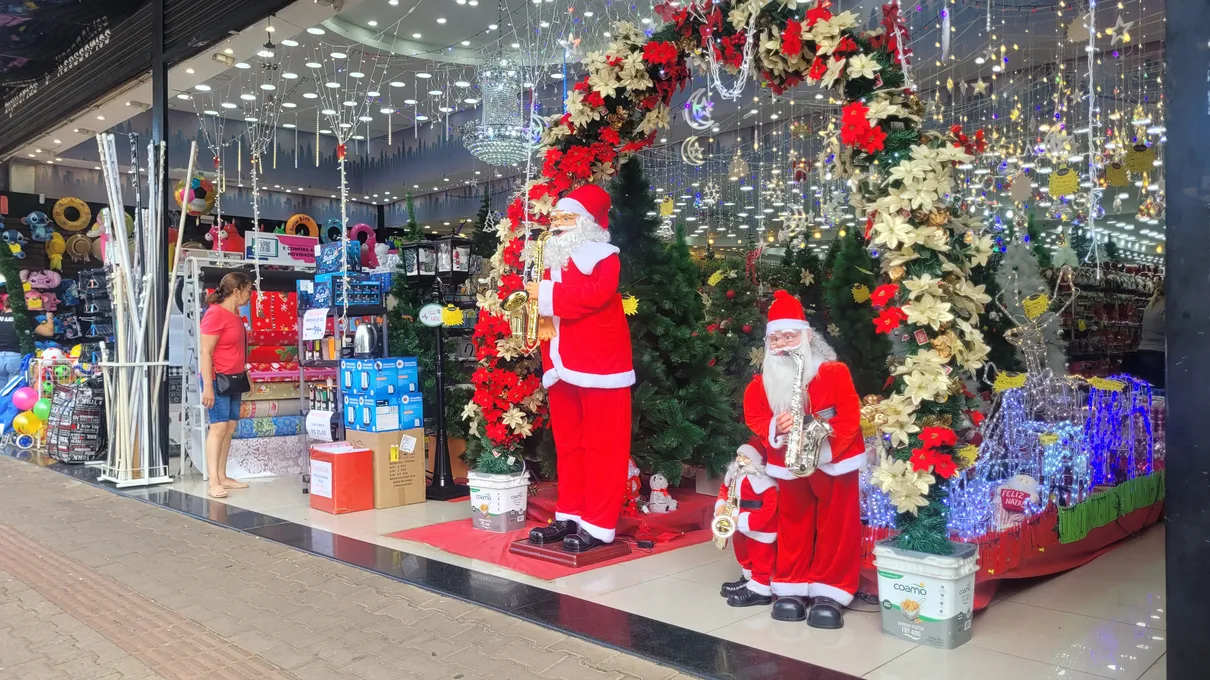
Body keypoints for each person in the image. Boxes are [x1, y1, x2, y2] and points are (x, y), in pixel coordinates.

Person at [522, 183, 635, 553]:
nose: (557, 224)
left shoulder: (604, 255)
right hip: (560, 363)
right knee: (569, 445)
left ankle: (599, 525)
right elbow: (550, 313)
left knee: (604, 446)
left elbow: (596, 297)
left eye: (566, 217)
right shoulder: (551, 257)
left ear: (586, 221)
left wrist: (548, 296)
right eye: (556, 217)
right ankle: (570, 514)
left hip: (600, 363)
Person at [743, 290, 864, 629]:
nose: (782, 343)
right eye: (776, 337)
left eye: (789, 335)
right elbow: (754, 415)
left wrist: (822, 438)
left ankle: (831, 591)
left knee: (837, 526)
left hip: (832, 461)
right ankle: (791, 586)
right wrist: (773, 426)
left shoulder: (833, 372)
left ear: (807, 336)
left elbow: (850, 415)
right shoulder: (762, 382)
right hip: (788, 460)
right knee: (792, 523)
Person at [199, 271, 252, 499]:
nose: (250, 296)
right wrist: (208, 386)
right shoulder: (215, 315)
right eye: (248, 290)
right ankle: (213, 481)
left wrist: (245, 372)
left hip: (235, 377)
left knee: (229, 428)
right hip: (217, 379)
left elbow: (236, 350)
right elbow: (205, 352)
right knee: (218, 428)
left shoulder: (236, 316)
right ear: (237, 291)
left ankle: (222, 476)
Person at [715, 439, 779, 607]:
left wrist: (747, 520)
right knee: (743, 552)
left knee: (760, 555)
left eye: (745, 457)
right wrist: (721, 506)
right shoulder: (735, 475)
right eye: (739, 456)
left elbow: (769, 508)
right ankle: (748, 578)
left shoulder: (765, 482)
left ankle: (760, 587)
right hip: (737, 521)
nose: (740, 460)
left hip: (758, 526)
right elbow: (724, 490)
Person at [1127, 285, 1164, 389]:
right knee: (1159, 389)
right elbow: (1171, 329)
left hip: (1144, 351)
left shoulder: (1152, 303)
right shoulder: (1167, 305)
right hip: (1158, 352)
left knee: (1148, 389)